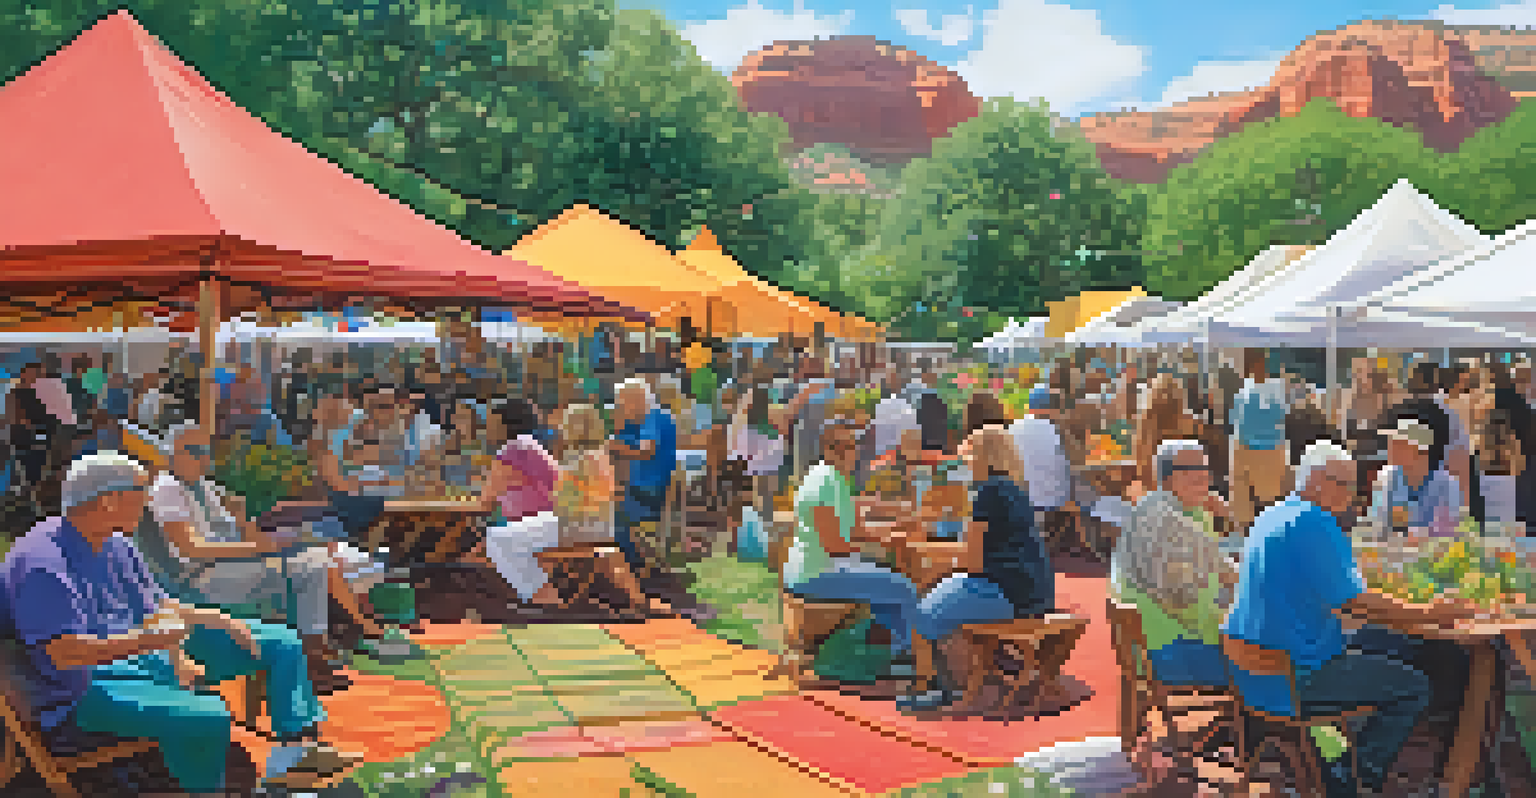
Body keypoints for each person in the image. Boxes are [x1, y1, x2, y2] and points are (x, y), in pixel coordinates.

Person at [1, 452, 360, 796]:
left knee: (280, 641)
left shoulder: (117, 543)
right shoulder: (43, 563)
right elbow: (64, 654)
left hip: (140, 654)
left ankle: (294, 754)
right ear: (107, 501)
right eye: (139, 493)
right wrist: (155, 642)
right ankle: (204, 789)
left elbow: (157, 607)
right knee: (209, 714)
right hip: (82, 687)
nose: (146, 506)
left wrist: (211, 621)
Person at [1223, 440, 1481, 798]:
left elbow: (1342, 598)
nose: (1350, 493)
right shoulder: (1315, 523)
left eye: (1353, 484)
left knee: (1381, 648)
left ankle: (1337, 760)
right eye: (1341, 483)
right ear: (1313, 481)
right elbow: (1355, 601)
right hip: (1296, 679)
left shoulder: (1273, 514)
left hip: (1254, 674)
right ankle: (1354, 780)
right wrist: (1426, 613)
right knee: (1414, 687)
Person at [145, 423, 372, 695]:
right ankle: (315, 660)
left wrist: (244, 519)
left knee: (316, 559)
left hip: (230, 568)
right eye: (193, 451)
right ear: (173, 454)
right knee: (312, 568)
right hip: (202, 577)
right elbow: (191, 549)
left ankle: (314, 653)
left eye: (205, 451)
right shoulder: (168, 489)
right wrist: (257, 549)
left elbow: (240, 532)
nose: (202, 458)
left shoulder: (201, 488)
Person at [903, 425, 1054, 711]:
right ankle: (962, 679)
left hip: (1005, 593)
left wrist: (939, 574)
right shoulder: (1015, 490)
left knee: (919, 615)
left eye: (968, 457)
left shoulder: (986, 494)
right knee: (947, 598)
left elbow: (972, 563)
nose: (964, 464)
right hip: (1035, 592)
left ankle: (930, 688)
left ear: (982, 458)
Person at [784, 416, 920, 667]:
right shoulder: (823, 481)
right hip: (815, 573)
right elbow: (834, 547)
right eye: (838, 446)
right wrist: (881, 544)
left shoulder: (837, 480)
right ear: (826, 448)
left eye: (850, 446)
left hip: (819, 569)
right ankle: (914, 659)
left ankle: (896, 654)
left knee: (890, 582)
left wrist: (892, 533)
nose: (846, 453)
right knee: (903, 588)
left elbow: (856, 531)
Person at [1111, 440, 1237, 688]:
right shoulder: (1164, 521)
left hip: (1163, 642)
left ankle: (1240, 725)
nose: (1202, 476)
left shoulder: (1175, 509)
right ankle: (1248, 726)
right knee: (1268, 664)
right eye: (1190, 468)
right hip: (1167, 651)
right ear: (1167, 478)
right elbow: (1188, 605)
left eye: (1204, 468)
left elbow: (1218, 565)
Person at [550, 403, 670, 614]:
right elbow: (610, 493)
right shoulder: (600, 456)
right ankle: (637, 598)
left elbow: (561, 500)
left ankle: (539, 593)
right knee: (609, 551)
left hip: (577, 527)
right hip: (602, 524)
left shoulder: (575, 459)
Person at [609, 378, 678, 576]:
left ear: (636, 400)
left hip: (650, 494)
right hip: (648, 490)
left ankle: (631, 563)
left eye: (622, 403)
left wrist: (615, 447)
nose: (620, 407)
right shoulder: (651, 418)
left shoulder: (652, 417)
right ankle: (630, 561)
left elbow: (646, 451)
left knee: (605, 511)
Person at [1367, 402, 1460, 540]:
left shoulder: (1447, 485)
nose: (1391, 447)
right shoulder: (1385, 478)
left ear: (1421, 451)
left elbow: (1446, 536)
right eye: (1392, 442)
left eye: (1399, 444)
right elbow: (1376, 527)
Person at [1230, 349, 1290, 536]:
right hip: (1267, 448)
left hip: (1254, 447)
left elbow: (1235, 419)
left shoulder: (1244, 390)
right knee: (1266, 503)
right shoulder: (1275, 388)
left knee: (1248, 503)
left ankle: (1249, 536)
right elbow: (1281, 416)